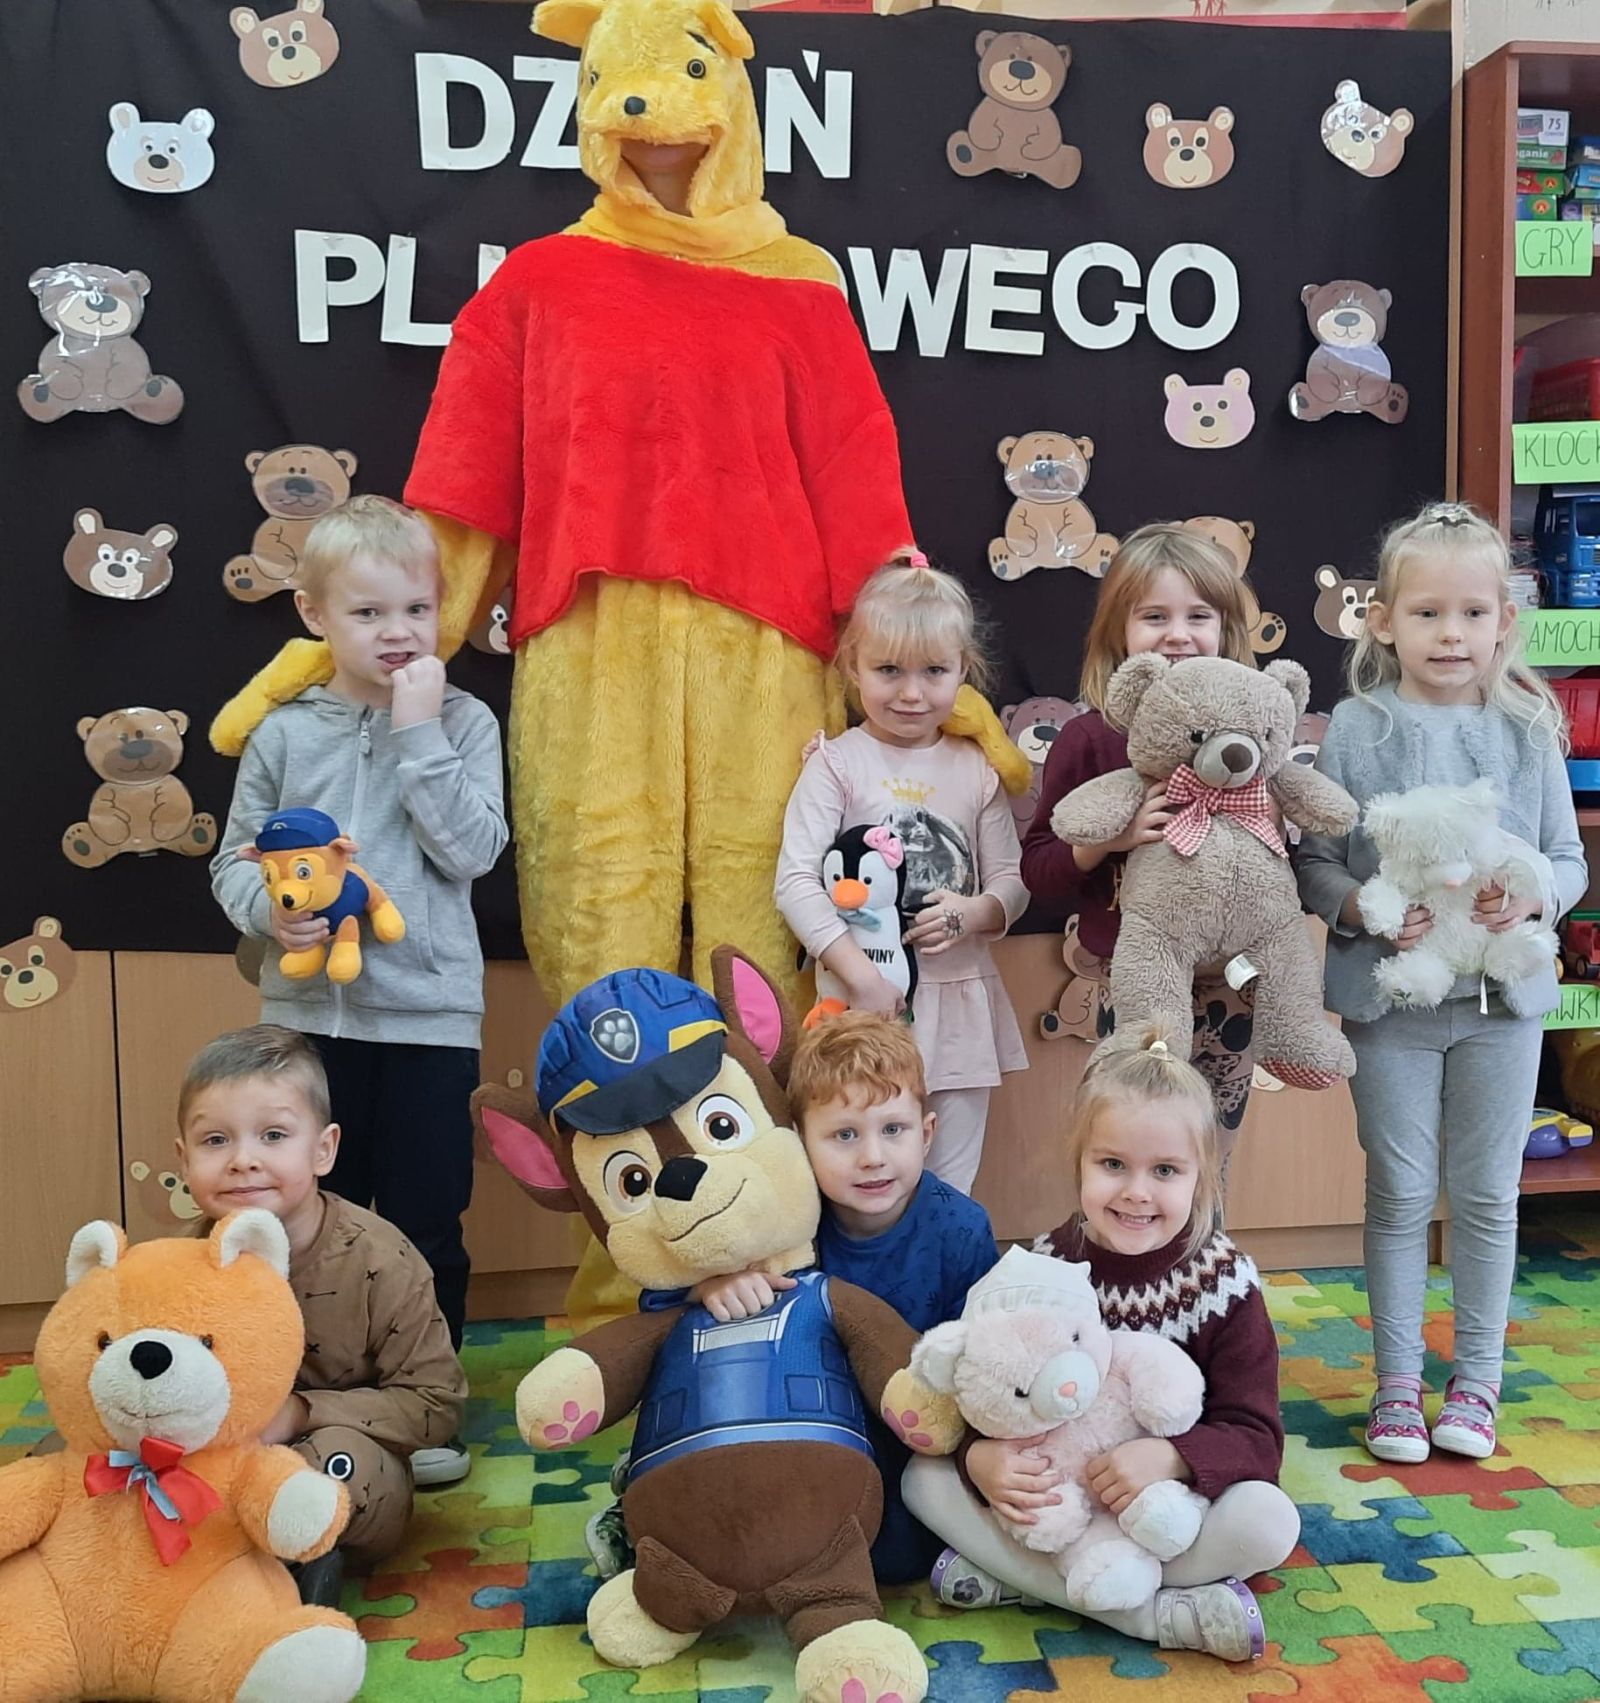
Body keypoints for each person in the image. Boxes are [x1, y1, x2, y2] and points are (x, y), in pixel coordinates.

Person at [211, 495, 507, 1485]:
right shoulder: (284, 733)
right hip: (308, 1022)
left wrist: (420, 732)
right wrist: (270, 911)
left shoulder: (463, 720)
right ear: (315, 615)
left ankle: (427, 1408)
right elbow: (234, 862)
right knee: (310, 1222)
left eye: (417, 609)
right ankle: (299, 1395)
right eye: (370, 612)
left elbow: (472, 850)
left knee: (425, 1221)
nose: (398, 632)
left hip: (428, 1020)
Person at [1296, 502, 1585, 1465]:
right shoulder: (1355, 727)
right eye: (1427, 613)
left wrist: (1532, 896)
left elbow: (1565, 858)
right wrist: (1362, 909)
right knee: (1399, 1192)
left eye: (1471, 613)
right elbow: (1317, 860)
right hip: (1393, 1002)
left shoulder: (1528, 727)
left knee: (1488, 1195)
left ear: (1505, 621)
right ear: (1384, 621)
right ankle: (1396, 1388)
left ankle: (1477, 1385)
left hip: (1503, 1007)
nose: (1450, 634)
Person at [902, 1035, 1298, 1662]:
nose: (1137, 1192)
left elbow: (1257, 1437)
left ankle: (1029, 1585)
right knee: (924, 1479)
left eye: (1165, 1171)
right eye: (1113, 1165)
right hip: (1059, 1508)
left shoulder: (1224, 1282)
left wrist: (1173, 1458)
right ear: (1080, 1161)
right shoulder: (1041, 1268)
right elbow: (989, 1388)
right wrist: (981, 1459)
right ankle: (1154, 1617)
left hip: (1167, 1515)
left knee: (1270, 1520)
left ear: (1201, 1176)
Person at [586, 1010, 998, 1587]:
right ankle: (645, 1501)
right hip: (782, 1419)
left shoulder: (962, 1230)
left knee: (892, 1555)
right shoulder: (781, 1218)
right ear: (801, 1143)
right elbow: (658, 1316)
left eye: (893, 1130)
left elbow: (985, 1364)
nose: (872, 1156)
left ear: (927, 1134)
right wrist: (706, 1288)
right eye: (845, 1135)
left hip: (903, 1431)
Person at [177, 1024, 469, 1600]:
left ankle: (287, 1573)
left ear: (323, 1150)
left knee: (336, 1462)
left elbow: (436, 1405)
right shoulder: (177, 1263)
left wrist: (300, 1414)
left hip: (342, 1461)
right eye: (215, 1140)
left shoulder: (383, 1259)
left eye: (273, 1135)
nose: (243, 1161)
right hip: (214, 1463)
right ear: (183, 1159)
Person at [775, 564, 1030, 1193]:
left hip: (960, 1008)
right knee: (861, 1183)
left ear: (963, 670)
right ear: (853, 667)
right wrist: (862, 979)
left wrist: (973, 913)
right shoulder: (837, 764)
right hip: (861, 1011)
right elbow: (796, 883)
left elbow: (1012, 881)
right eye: (889, 670)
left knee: (949, 1187)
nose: (912, 694)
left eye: (934, 671)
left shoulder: (976, 768)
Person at [1021, 524, 1263, 1144]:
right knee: (1133, 1140)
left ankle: (1205, 1217)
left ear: (1226, 631)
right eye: (1155, 616)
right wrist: (1107, 839)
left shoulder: (1255, 739)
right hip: (1131, 983)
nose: (1178, 634)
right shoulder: (1090, 739)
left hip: (1231, 985)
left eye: (1198, 616)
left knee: (1210, 1148)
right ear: (1118, 632)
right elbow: (1039, 869)